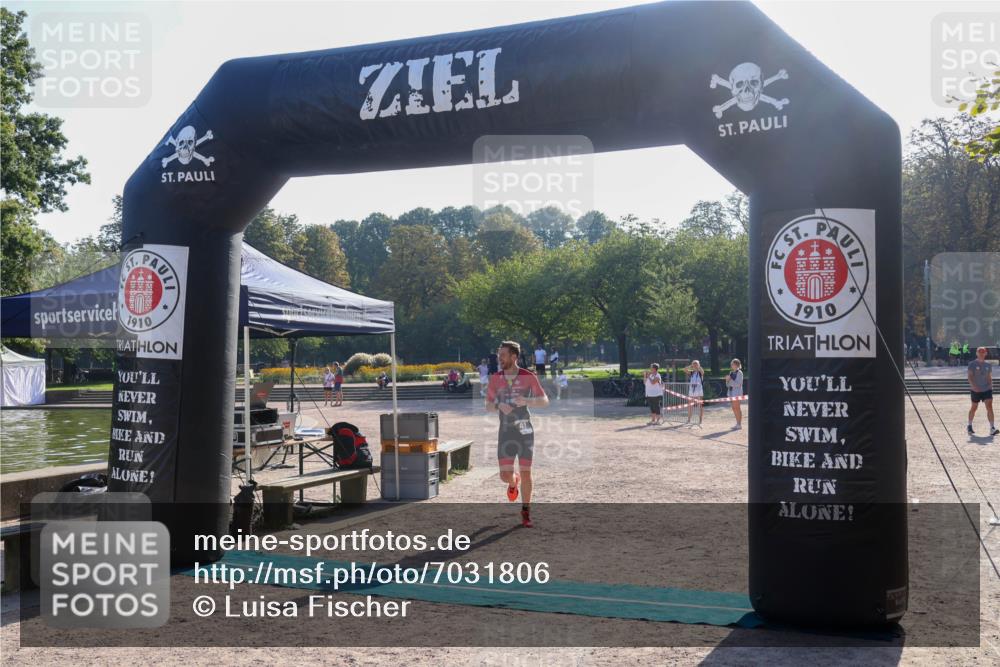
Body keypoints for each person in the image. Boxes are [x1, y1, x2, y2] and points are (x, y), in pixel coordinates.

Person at [486, 340, 549, 528]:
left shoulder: (528, 377)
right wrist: (499, 405)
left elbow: (544, 400)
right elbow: (488, 405)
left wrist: (527, 401)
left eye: (503, 355)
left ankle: (526, 511)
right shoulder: (495, 378)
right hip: (505, 431)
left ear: (514, 357)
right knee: (505, 475)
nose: (499, 358)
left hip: (524, 430)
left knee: (527, 472)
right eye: (499, 355)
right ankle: (513, 483)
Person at [967, 346, 997, 436]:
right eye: (979, 352)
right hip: (975, 389)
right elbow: (970, 376)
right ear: (976, 353)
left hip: (986, 389)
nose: (981, 354)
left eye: (983, 352)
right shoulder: (972, 364)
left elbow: (989, 376)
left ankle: (992, 427)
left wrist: (991, 384)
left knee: (989, 406)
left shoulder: (988, 365)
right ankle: (969, 425)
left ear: (985, 353)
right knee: (974, 407)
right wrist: (973, 386)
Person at [683, 360, 705, 424]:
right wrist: (691, 366)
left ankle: (700, 419)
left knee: (700, 405)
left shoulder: (700, 372)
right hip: (692, 390)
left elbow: (702, 371)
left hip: (699, 391)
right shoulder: (692, 372)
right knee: (690, 405)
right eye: (694, 364)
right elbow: (684, 370)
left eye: (696, 364)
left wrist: (698, 366)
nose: (695, 365)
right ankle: (689, 419)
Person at [726, 358, 744, 429]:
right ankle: (737, 423)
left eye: (732, 364)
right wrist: (727, 380)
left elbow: (739, 384)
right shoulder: (731, 373)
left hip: (737, 393)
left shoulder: (739, 373)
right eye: (731, 364)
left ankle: (739, 424)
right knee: (734, 408)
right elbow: (727, 385)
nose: (731, 365)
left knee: (737, 408)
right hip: (731, 393)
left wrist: (730, 380)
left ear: (737, 365)